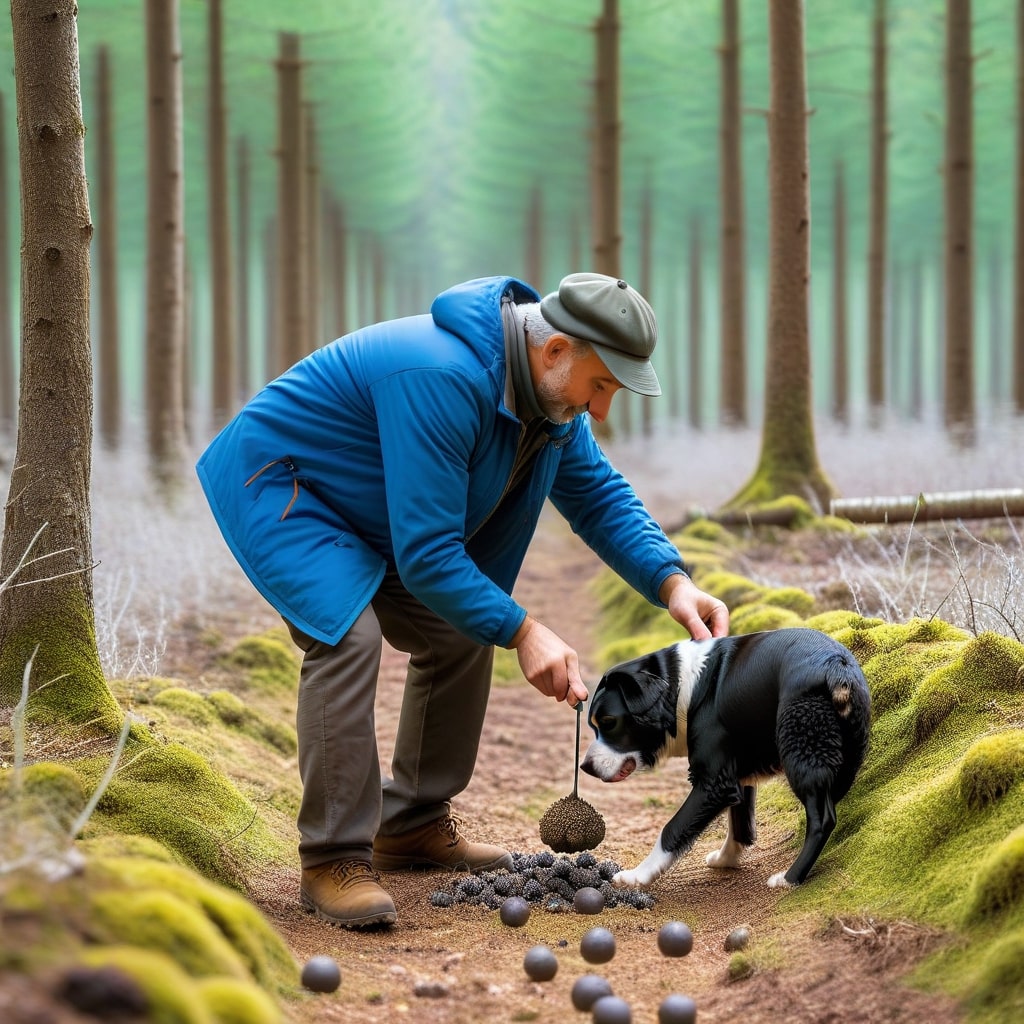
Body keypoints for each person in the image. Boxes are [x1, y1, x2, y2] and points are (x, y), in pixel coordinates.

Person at [196, 272, 729, 930]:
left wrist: (673, 582)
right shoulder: (443, 376)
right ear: (556, 349)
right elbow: (426, 554)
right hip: (286, 486)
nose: (602, 410)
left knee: (462, 627)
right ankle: (332, 857)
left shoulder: (548, 401)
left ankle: (412, 822)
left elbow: (597, 496)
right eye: (602, 386)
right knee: (347, 634)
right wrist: (524, 628)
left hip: (373, 508)